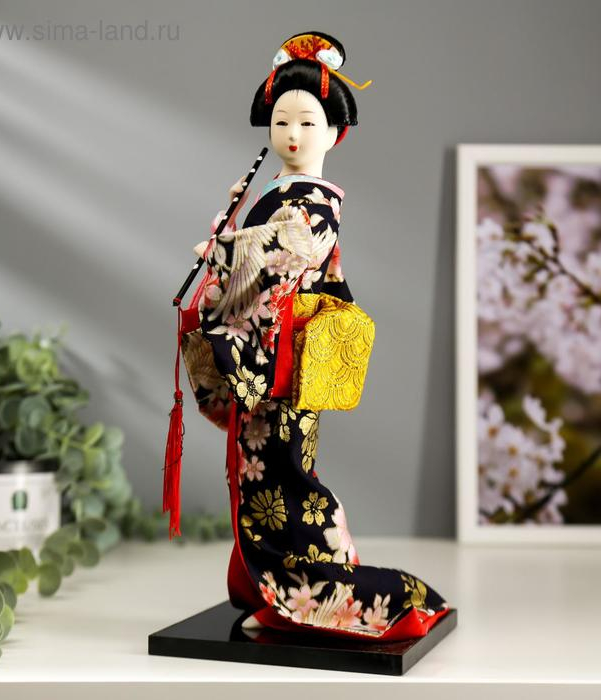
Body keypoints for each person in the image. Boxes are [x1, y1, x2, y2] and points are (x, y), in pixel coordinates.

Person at [183, 31, 451, 641]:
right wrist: (230, 236)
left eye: (308, 122)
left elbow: (290, 253)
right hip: (264, 349)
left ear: (335, 133)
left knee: (281, 475)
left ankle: (321, 590)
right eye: (282, 121)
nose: (293, 134)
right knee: (258, 475)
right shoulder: (276, 191)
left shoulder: (317, 201)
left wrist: (226, 249)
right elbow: (259, 255)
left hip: (281, 357)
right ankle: (273, 587)